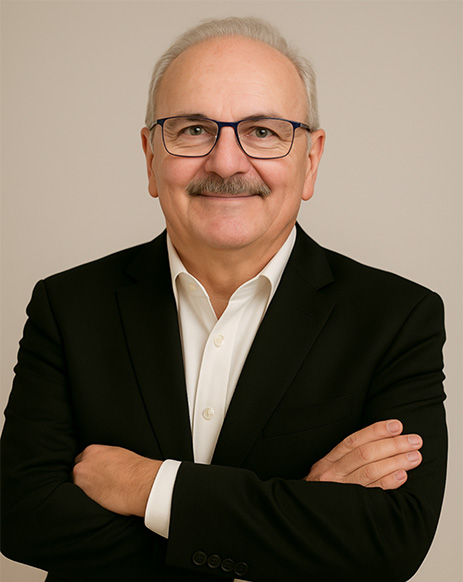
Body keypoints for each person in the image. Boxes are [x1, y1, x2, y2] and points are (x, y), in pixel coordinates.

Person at [1, 16, 447, 582]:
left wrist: (151, 487)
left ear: (310, 161)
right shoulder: (68, 306)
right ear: (150, 157)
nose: (226, 162)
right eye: (193, 129)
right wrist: (296, 517)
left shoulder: (396, 318)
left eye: (262, 132)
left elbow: (391, 540)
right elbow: (22, 516)